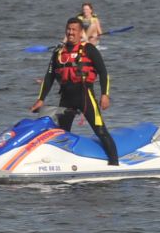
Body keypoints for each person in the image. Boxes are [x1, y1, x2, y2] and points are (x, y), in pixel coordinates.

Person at [30, 16, 121, 165]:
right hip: (66, 98)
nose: (71, 32)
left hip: (85, 96)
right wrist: (41, 99)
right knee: (63, 134)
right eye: (68, 29)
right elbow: (49, 77)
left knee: (101, 131)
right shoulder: (58, 53)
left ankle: (114, 163)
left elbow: (103, 72)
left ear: (80, 34)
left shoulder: (89, 49)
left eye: (74, 30)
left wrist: (105, 94)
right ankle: (63, 164)